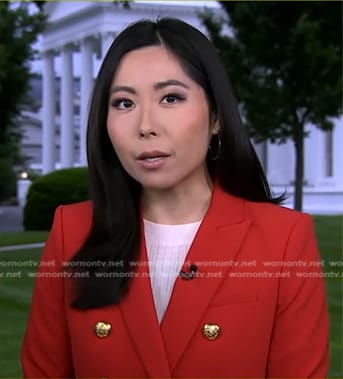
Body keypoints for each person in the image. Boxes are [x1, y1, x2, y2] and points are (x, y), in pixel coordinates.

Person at [21, 18, 329, 378]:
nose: (145, 125)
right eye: (123, 103)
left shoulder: (284, 240)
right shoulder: (71, 232)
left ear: (216, 116)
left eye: (171, 97)